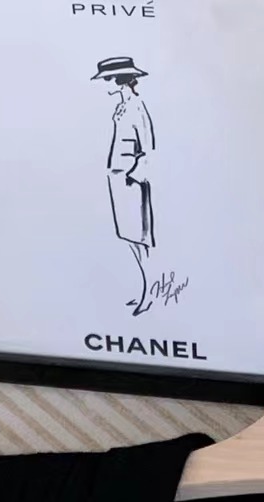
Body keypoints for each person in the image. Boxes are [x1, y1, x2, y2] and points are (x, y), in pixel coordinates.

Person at [93, 55, 158, 314]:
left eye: (106, 80)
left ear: (118, 80)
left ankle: (149, 293)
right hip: (120, 179)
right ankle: (145, 290)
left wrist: (134, 175)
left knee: (141, 240)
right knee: (130, 238)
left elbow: (148, 148)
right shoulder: (122, 107)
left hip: (132, 181)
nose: (104, 85)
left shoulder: (136, 107)